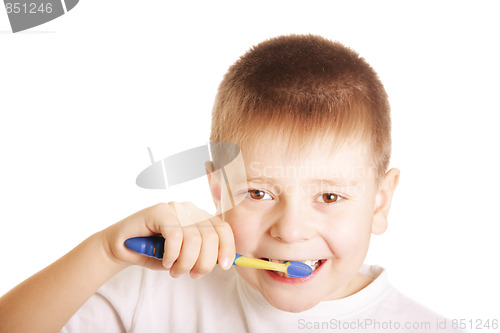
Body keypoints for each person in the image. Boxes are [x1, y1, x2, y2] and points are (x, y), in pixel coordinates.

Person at [0, 34, 466, 333]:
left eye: (329, 196)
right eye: (259, 193)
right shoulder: (156, 291)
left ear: (380, 203)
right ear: (219, 190)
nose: (291, 230)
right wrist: (105, 252)